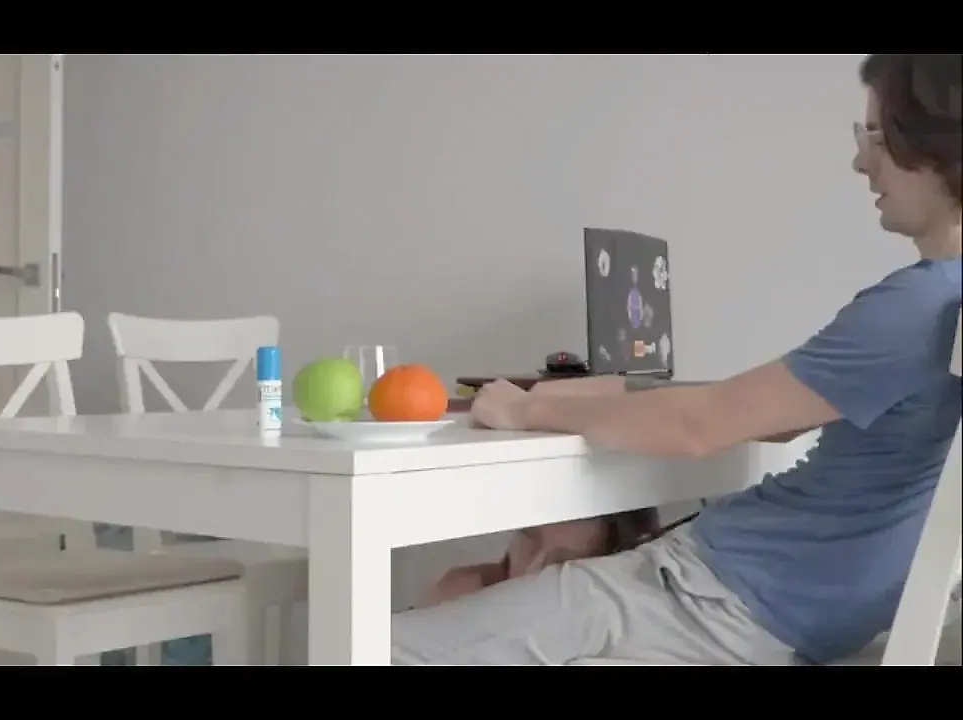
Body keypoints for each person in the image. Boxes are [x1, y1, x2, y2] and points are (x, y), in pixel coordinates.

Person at [391, 53, 963, 666]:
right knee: (460, 593)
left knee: (378, 646)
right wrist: (616, 396)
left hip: (712, 599)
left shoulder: (916, 307)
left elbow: (699, 428)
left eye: (876, 136)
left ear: (937, 147)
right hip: (772, 612)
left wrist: (526, 410)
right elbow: (773, 419)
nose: (861, 161)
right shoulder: (944, 301)